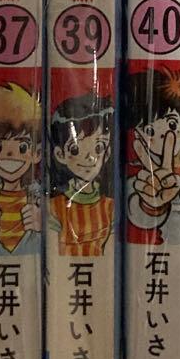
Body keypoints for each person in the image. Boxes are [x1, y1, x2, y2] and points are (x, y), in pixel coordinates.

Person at [122, 67, 180, 244]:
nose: (163, 135)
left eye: (171, 124)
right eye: (149, 131)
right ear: (139, 136)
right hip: (157, 253)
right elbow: (135, 212)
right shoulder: (142, 179)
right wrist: (152, 204)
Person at [0, 82, 43, 256]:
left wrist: (43, 225)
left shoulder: (41, 196)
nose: (10, 154)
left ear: (37, 153)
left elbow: (61, 231)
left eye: (22, 147)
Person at [48, 93, 115, 257]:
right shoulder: (55, 207)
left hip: (99, 271)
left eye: (99, 147)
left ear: (107, 153)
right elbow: (52, 249)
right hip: (63, 271)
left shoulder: (110, 207)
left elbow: (110, 251)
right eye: (75, 149)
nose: (89, 158)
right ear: (60, 154)